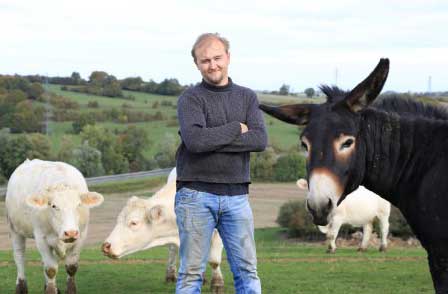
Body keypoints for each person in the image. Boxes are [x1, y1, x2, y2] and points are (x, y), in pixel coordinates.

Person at [175, 32, 267, 294]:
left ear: (228, 57)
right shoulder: (190, 99)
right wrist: (237, 128)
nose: (212, 65)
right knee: (191, 274)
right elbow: (195, 142)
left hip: (237, 195)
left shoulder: (247, 97)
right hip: (195, 195)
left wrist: (210, 137)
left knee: (247, 271)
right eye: (205, 61)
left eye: (217, 58)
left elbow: (259, 139)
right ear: (197, 64)